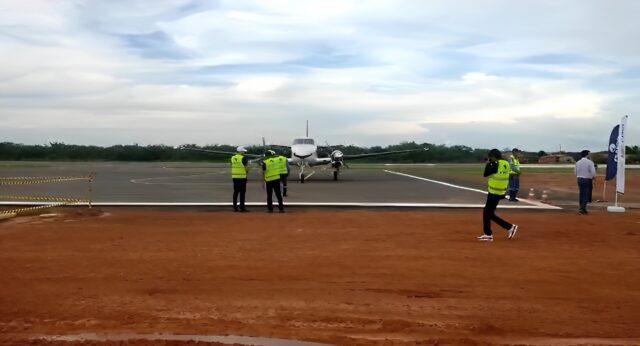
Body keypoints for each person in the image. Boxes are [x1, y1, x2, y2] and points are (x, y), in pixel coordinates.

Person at [477, 149, 519, 242]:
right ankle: (508, 227)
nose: (490, 158)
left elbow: (485, 174)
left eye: (490, 157)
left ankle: (491, 233)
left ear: (494, 156)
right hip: (500, 191)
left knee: (487, 213)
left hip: (494, 192)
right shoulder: (506, 163)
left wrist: (488, 163)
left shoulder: (495, 164)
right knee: (489, 213)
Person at [575, 150, 596, 214]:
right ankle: (582, 209)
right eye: (589, 154)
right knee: (586, 194)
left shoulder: (578, 162)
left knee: (581, 194)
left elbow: (575, 172)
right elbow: (593, 171)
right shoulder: (590, 162)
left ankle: (582, 208)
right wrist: (593, 177)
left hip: (579, 179)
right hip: (587, 179)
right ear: (587, 155)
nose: (590, 155)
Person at [231, 146, 250, 212]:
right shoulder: (243, 158)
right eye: (243, 151)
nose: (244, 152)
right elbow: (246, 168)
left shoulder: (233, 158)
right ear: (241, 151)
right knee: (242, 193)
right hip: (242, 177)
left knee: (235, 192)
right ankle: (242, 207)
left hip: (235, 177)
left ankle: (235, 207)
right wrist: (247, 171)